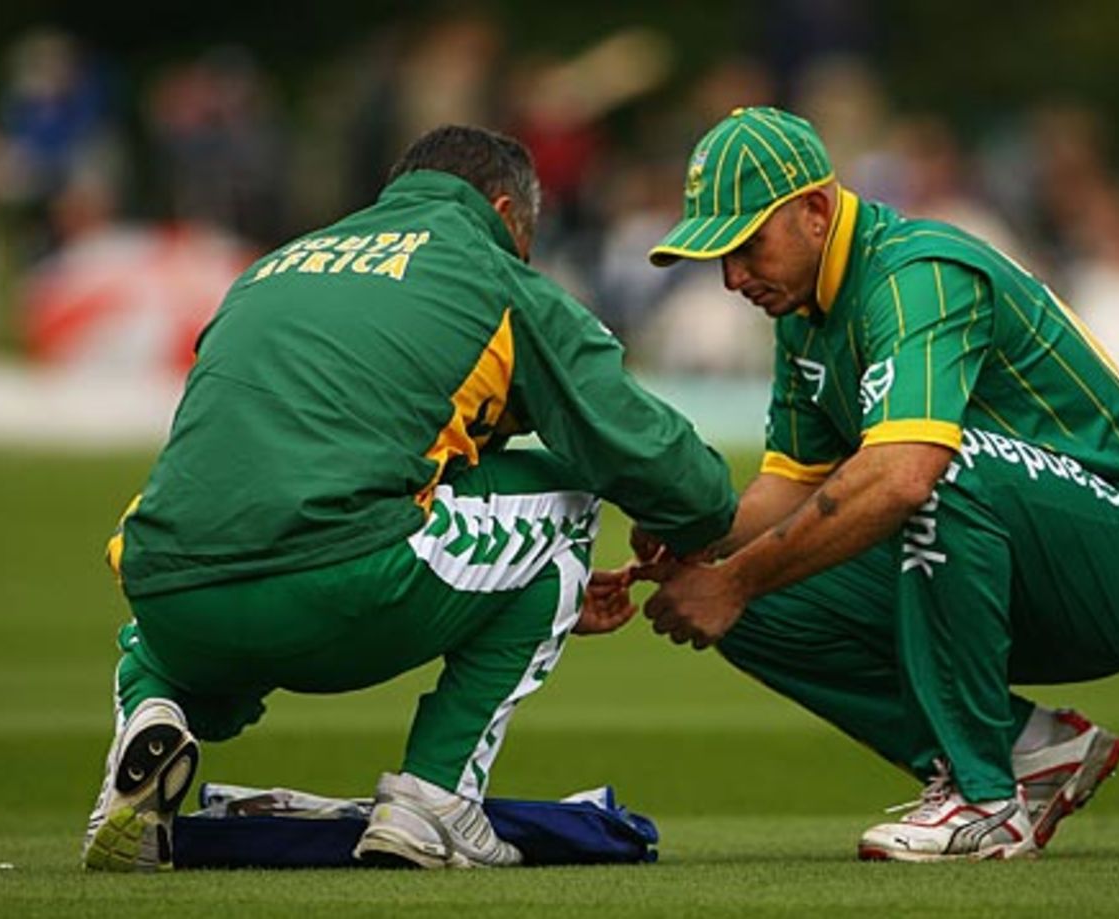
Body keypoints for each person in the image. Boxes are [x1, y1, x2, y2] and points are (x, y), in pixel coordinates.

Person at [82, 125, 736, 872]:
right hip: (342, 579)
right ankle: (435, 799)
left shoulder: (270, 267)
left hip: (171, 591)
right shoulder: (493, 277)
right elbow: (656, 457)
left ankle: (149, 725)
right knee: (567, 501)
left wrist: (499, 587)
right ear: (502, 210)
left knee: (170, 629)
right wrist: (694, 523)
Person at [621, 106, 1119, 862]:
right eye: (719, 253)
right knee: (748, 601)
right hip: (1030, 552)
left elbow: (906, 477)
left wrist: (733, 579)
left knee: (936, 466)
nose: (732, 276)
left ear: (814, 211)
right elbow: (792, 488)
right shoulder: (804, 313)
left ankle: (985, 802)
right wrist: (694, 549)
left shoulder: (915, 274)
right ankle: (1032, 751)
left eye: (746, 244)